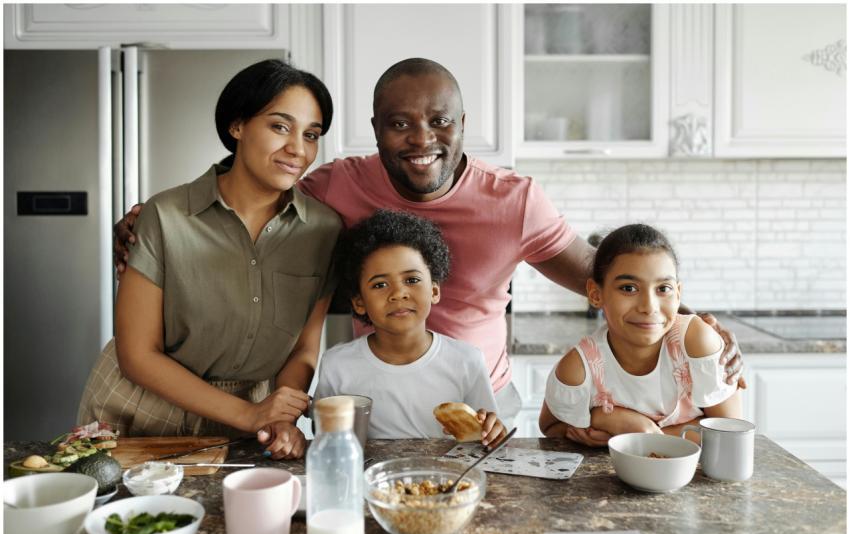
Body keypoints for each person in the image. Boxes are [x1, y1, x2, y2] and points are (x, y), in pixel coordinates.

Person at [112, 58, 745, 446]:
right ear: (375, 130)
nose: (422, 139)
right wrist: (152, 218)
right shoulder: (333, 188)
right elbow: (255, 183)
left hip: (480, 406)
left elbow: (605, 275)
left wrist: (691, 320)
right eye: (400, 123)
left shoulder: (516, 201)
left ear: (463, 125)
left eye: (440, 121)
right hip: (375, 404)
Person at [78, 59, 342, 459]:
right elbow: (136, 354)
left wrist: (279, 416)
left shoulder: (324, 230)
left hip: (248, 421)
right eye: (279, 127)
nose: (298, 149)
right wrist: (250, 415)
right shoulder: (164, 216)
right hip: (137, 410)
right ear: (237, 126)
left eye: (311, 134)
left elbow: (303, 349)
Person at [314, 210, 506, 446]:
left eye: (412, 280)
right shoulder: (337, 365)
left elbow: (484, 436)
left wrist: (492, 430)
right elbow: (324, 436)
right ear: (359, 302)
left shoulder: (467, 360)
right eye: (380, 285)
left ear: (434, 291)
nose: (398, 293)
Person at [539, 224, 742, 441]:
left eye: (663, 288)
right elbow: (551, 427)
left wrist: (633, 431)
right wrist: (604, 421)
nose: (649, 307)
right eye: (629, 288)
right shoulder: (579, 368)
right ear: (596, 294)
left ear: (678, 294)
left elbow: (729, 433)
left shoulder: (696, 341)